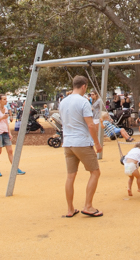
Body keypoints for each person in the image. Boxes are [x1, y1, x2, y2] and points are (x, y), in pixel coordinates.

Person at [59, 76, 103, 218]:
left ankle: (70, 209)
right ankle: (88, 206)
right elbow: (90, 125)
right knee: (95, 172)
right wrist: (97, 143)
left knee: (70, 176)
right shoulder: (83, 102)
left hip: (68, 143)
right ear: (84, 86)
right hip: (82, 142)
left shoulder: (63, 102)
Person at [0, 94, 25, 177]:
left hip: (5, 132)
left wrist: (9, 132)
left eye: (6, 99)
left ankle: (15, 168)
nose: (6, 100)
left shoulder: (5, 109)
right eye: (4, 99)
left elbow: (6, 122)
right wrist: (1, 118)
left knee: (10, 151)